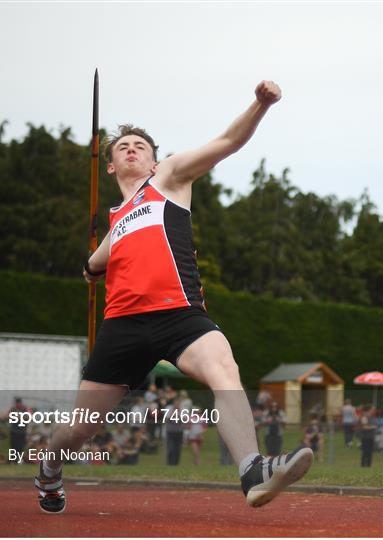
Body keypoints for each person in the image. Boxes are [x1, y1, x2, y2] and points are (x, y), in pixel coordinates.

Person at [35, 80, 313, 513]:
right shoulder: (115, 222)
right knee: (79, 430)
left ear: (152, 159)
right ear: (109, 166)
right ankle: (49, 470)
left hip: (180, 313)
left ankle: (253, 470)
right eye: (122, 146)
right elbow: (95, 264)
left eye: (140, 145)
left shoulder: (169, 178)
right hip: (123, 326)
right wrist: (90, 269)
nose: (131, 149)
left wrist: (259, 105)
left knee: (224, 367)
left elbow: (227, 141)